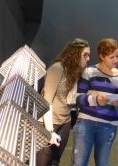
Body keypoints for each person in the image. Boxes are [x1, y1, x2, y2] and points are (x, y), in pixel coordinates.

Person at [70, 38, 118, 166]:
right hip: (86, 122)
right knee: (79, 162)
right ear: (102, 56)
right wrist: (95, 100)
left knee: (102, 162)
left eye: (117, 56)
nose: (116, 60)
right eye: (111, 57)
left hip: (108, 124)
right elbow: (78, 97)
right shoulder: (89, 71)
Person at [36, 38, 90, 166]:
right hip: (48, 122)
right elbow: (46, 101)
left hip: (65, 122)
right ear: (75, 54)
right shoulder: (57, 68)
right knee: (43, 162)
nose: (88, 58)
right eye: (85, 55)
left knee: (55, 161)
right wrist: (49, 131)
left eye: (89, 55)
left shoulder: (75, 72)